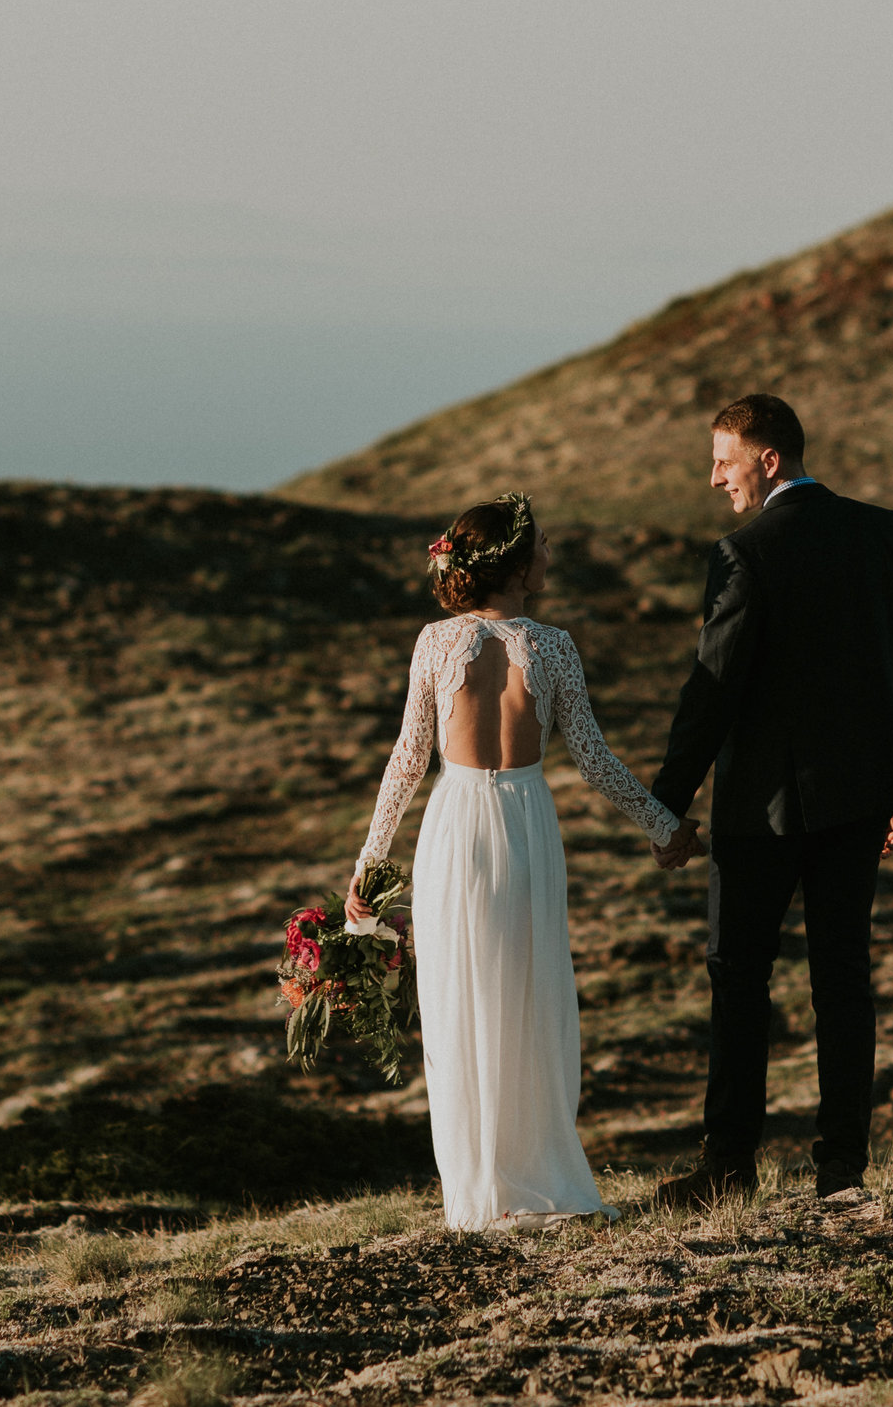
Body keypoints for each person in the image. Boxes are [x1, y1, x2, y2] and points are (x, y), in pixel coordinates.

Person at [346, 493, 682, 1231]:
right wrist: (664, 825)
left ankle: (478, 1189)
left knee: (458, 996)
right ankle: (541, 1175)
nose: (553, 556)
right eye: (546, 545)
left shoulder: (434, 642)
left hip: (455, 826)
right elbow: (593, 758)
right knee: (529, 994)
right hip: (527, 826)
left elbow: (406, 761)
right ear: (519, 562)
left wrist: (370, 861)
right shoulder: (555, 645)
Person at [648, 394, 893, 1205]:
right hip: (854, 803)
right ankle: (841, 1166)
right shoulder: (885, 532)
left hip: (758, 812)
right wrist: (890, 792)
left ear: (767, 459)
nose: (714, 478)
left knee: (739, 978)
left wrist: (665, 805)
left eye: (723, 459)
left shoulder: (746, 550)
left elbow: (713, 692)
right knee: (844, 979)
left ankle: (728, 1168)